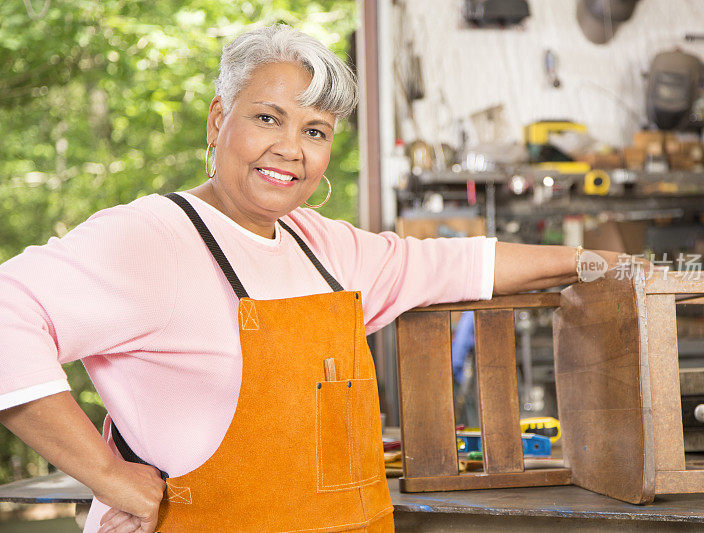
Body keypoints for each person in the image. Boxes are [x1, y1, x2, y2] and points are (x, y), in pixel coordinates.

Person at [0, 24, 627, 533]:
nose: (290, 149)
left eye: (315, 131)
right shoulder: (153, 235)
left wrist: (585, 263)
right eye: (268, 119)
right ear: (218, 121)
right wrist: (106, 476)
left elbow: (453, 263)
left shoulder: (317, 242)